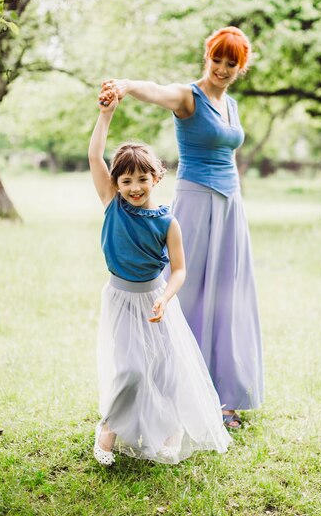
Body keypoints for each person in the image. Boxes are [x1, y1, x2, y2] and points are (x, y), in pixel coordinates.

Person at [100, 26, 263, 429]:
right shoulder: (188, 97)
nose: (222, 68)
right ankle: (173, 392)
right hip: (195, 200)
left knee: (229, 296)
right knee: (185, 294)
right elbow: (153, 89)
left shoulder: (233, 106)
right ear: (207, 57)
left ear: (241, 67)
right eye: (217, 59)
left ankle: (225, 398)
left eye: (232, 63)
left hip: (230, 206)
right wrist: (124, 85)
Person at [88, 88, 231, 466]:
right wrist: (106, 116)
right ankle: (108, 433)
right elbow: (94, 156)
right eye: (126, 181)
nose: (134, 188)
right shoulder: (112, 205)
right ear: (116, 185)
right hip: (120, 298)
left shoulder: (168, 222)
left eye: (141, 179)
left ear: (157, 177)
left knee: (167, 368)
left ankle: (173, 430)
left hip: (156, 300)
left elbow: (179, 269)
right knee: (131, 368)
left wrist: (166, 298)